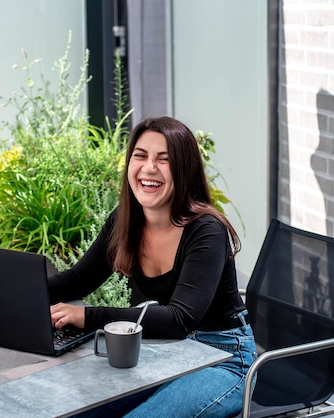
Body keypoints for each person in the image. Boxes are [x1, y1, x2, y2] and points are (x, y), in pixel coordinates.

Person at [48, 116, 256, 417]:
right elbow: (79, 279)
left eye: (164, 160)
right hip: (165, 352)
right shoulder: (126, 220)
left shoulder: (207, 230)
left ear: (184, 170)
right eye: (140, 155)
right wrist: (16, 290)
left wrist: (86, 316)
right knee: (73, 410)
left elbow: (179, 319)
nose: (148, 168)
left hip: (223, 359)